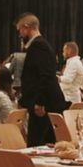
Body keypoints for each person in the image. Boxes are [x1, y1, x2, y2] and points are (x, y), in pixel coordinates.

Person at [16, 12, 67, 147]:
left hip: (44, 104)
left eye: (20, 30)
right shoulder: (41, 45)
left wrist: (39, 102)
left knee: (37, 147)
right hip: (45, 101)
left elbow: (45, 76)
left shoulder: (39, 46)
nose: (20, 34)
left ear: (26, 27)